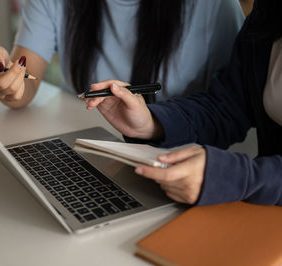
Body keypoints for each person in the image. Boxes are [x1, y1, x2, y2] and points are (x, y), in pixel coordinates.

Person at [84, 0, 282, 206]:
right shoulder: (268, 12)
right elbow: (227, 108)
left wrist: (239, 178)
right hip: (262, 210)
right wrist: (151, 123)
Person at [0, 0, 244, 108]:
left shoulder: (214, 6)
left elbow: (230, 114)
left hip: (175, 169)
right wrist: (7, 79)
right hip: (81, 157)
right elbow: (24, 84)